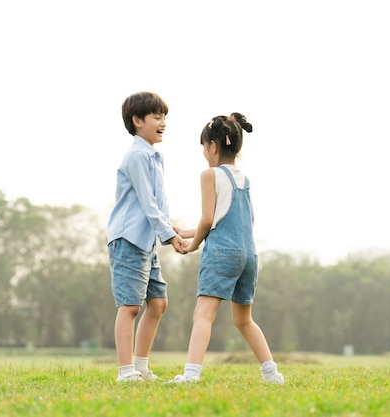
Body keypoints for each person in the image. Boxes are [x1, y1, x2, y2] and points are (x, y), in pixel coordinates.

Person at [170, 113, 284, 384]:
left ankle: (190, 375)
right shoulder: (244, 179)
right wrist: (189, 230)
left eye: (203, 147)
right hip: (248, 255)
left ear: (212, 146)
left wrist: (193, 245)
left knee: (202, 315)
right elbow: (236, 218)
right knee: (244, 320)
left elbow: (208, 220)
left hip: (222, 253)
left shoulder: (210, 175)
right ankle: (272, 374)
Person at [107, 91, 187, 382]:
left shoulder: (154, 156)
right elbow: (146, 203)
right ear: (137, 121)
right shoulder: (138, 156)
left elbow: (159, 202)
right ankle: (126, 372)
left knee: (158, 303)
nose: (163, 122)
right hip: (128, 238)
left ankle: (140, 367)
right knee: (130, 306)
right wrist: (169, 236)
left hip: (145, 241)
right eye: (156, 116)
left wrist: (171, 228)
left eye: (164, 116)